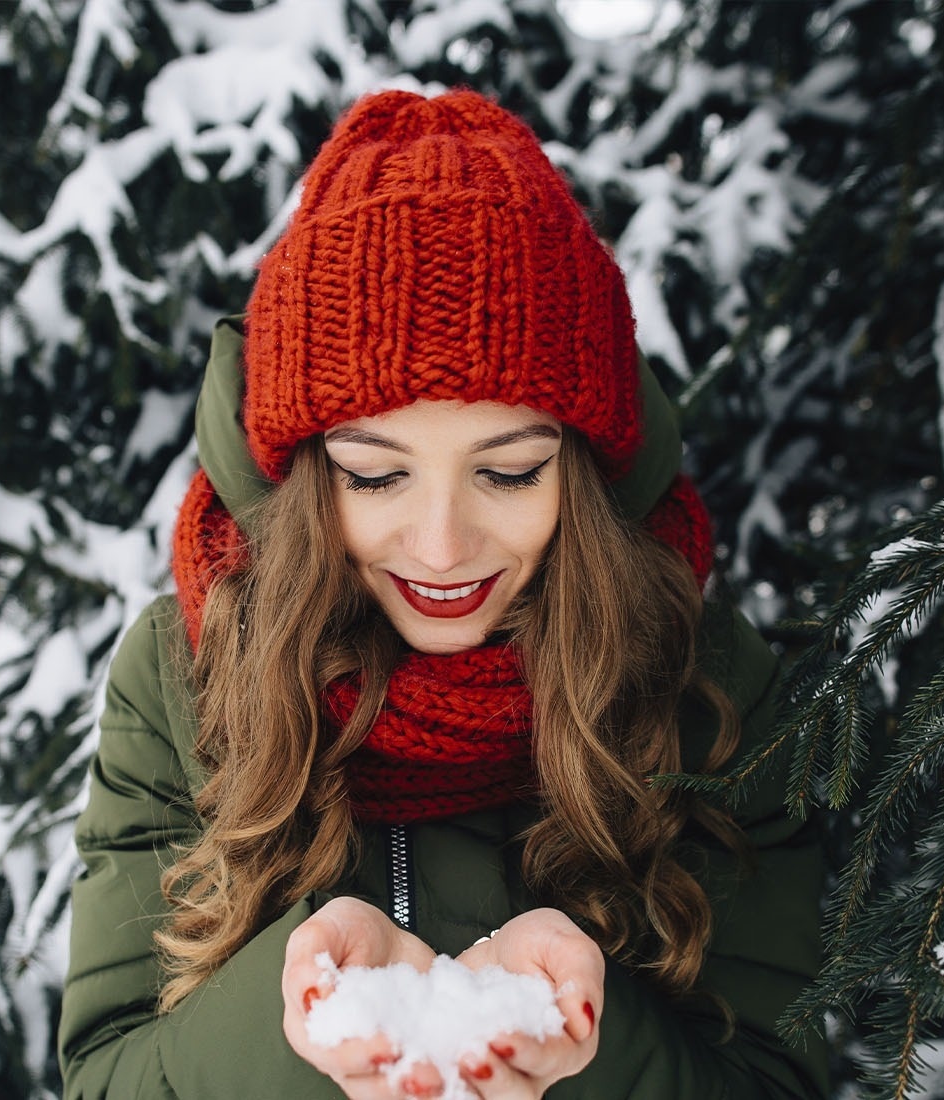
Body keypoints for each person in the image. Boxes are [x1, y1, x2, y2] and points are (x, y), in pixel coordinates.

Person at [58, 87, 828, 1099]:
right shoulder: (184, 671)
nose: (440, 544)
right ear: (300, 471)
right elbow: (105, 1078)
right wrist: (297, 1024)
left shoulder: (704, 678)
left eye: (508, 471)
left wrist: (587, 1047)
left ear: (584, 467)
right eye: (375, 474)